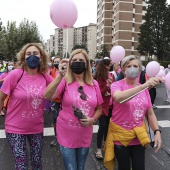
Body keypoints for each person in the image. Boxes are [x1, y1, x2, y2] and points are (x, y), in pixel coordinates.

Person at [44, 49, 103, 170]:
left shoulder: (94, 83)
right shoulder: (65, 81)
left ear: (87, 64)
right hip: (66, 132)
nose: (77, 62)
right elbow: (48, 95)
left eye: (81, 60)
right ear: (70, 63)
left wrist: (93, 119)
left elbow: (100, 108)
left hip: (85, 133)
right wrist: (59, 76)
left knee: (80, 167)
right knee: (71, 168)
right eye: (74, 60)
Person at [0, 43, 53, 170]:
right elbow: (1, 98)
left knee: (36, 163)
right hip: (15, 128)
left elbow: (59, 92)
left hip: (36, 127)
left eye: (35, 54)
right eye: (28, 54)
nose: (32, 57)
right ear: (24, 57)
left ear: (41, 58)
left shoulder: (45, 76)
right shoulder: (15, 75)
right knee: (21, 164)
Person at [104, 55, 162, 170]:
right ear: (123, 70)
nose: (132, 68)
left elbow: (150, 113)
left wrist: (157, 131)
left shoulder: (143, 89)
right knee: (124, 167)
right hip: (121, 136)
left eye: (135, 66)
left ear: (140, 69)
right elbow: (118, 97)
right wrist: (145, 86)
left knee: (139, 167)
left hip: (138, 136)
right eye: (128, 66)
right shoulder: (117, 85)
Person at [93, 59, 115, 159]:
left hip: (111, 105)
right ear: (104, 66)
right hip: (102, 106)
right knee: (102, 126)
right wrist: (107, 86)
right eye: (108, 66)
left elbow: (115, 89)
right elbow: (98, 93)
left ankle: (107, 147)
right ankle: (98, 149)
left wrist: (111, 89)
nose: (110, 68)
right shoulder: (98, 77)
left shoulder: (112, 76)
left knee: (108, 127)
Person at [50, 56, 61, 147]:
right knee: (55, 119)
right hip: (54, 99)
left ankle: (64, 137)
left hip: (64, 99)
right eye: (55, 61)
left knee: (65, 119)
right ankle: (56, 137)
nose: (57, 63)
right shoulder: (51, 72)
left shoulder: (66, 71)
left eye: (58, 61)